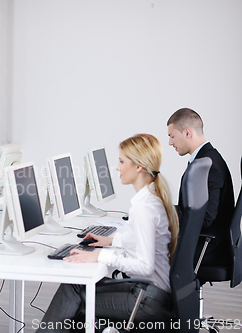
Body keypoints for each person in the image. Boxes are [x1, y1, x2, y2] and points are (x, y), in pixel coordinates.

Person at [36, 134, 179, 333]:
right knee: (76, 291)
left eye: (121, 161)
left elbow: (145, 266)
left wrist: (100, 255)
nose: (117, 167)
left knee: (74, 289)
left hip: (147, 298)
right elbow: (143, 242)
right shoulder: (151, 198)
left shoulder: (144, 209)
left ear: (138, 166)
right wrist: (112, 241)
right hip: (152, 293)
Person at [167, 108, 234, 266]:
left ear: (188, 133)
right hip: (203, 241)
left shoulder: (208, 165)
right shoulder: (206, 159)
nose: (170, 142)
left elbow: (204, 219)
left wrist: (165, 216)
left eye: (172, 136)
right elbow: (193, 211)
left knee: (147, 248)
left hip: (207, 247)